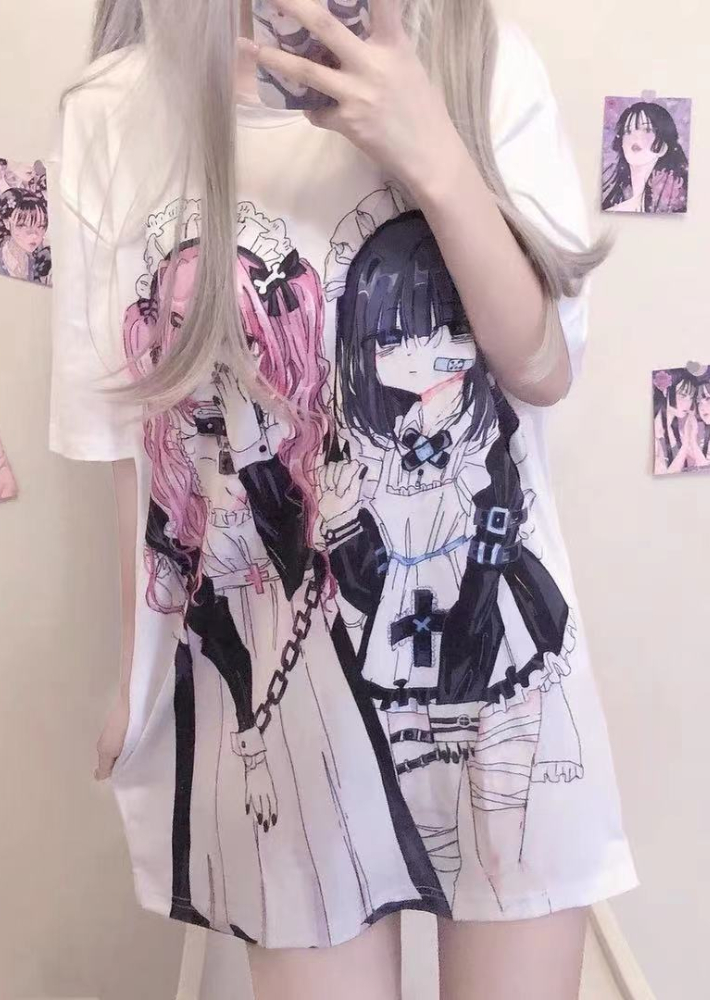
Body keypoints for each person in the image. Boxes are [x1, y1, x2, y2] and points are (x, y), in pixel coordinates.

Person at [48, 2, 638, 998]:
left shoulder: (480, 60)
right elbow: (131, 439)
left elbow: (543, 369)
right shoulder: (119, 110)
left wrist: (432, 153)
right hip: (288, 694)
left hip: (501, 681)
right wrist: (135, 674)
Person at [602, 100, 689, 214]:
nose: (635, 136)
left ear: (664, 144)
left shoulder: (673, 205)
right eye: (627, 131)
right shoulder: (615, 210)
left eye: (647, 130)